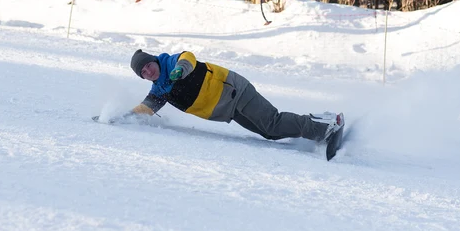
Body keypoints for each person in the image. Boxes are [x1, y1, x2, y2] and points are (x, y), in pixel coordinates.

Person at [113, 49, 344, 151]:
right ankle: (321, 120)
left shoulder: (171, 62)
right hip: (229, 110)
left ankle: (327, 128)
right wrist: (120, 119)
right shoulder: (159, 90)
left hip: (235, 91)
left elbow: (188, 58)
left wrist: (180, 71)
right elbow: (146, 108)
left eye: (148, 66)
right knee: (269, 132)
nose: (148, 72)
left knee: (272, 122)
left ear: (154, 60)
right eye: (142, 72)